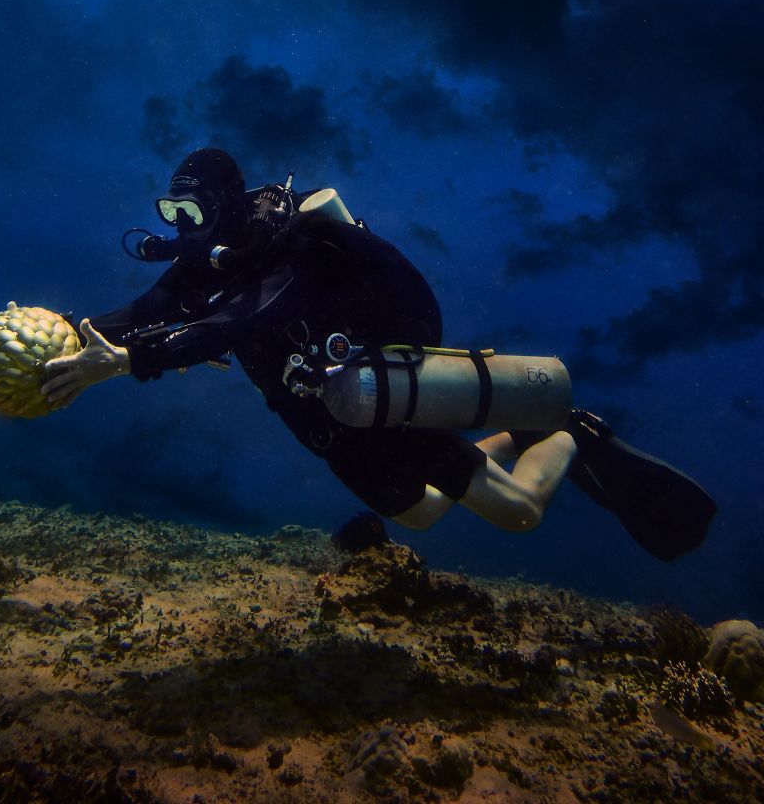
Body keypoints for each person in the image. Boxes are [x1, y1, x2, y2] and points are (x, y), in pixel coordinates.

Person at [42, 148, 715, 560]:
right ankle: (515, 433)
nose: (179, 230)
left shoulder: (291, 245)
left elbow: (237, 321)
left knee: (519, 515)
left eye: (191, 214)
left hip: (382, 396)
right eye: (170, 212)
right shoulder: (205, 265)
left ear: (225, 206)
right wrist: (66, 332)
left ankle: (571, 433)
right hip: (331, 424)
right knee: (421, 511)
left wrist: (132, 363)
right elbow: (145, 311)